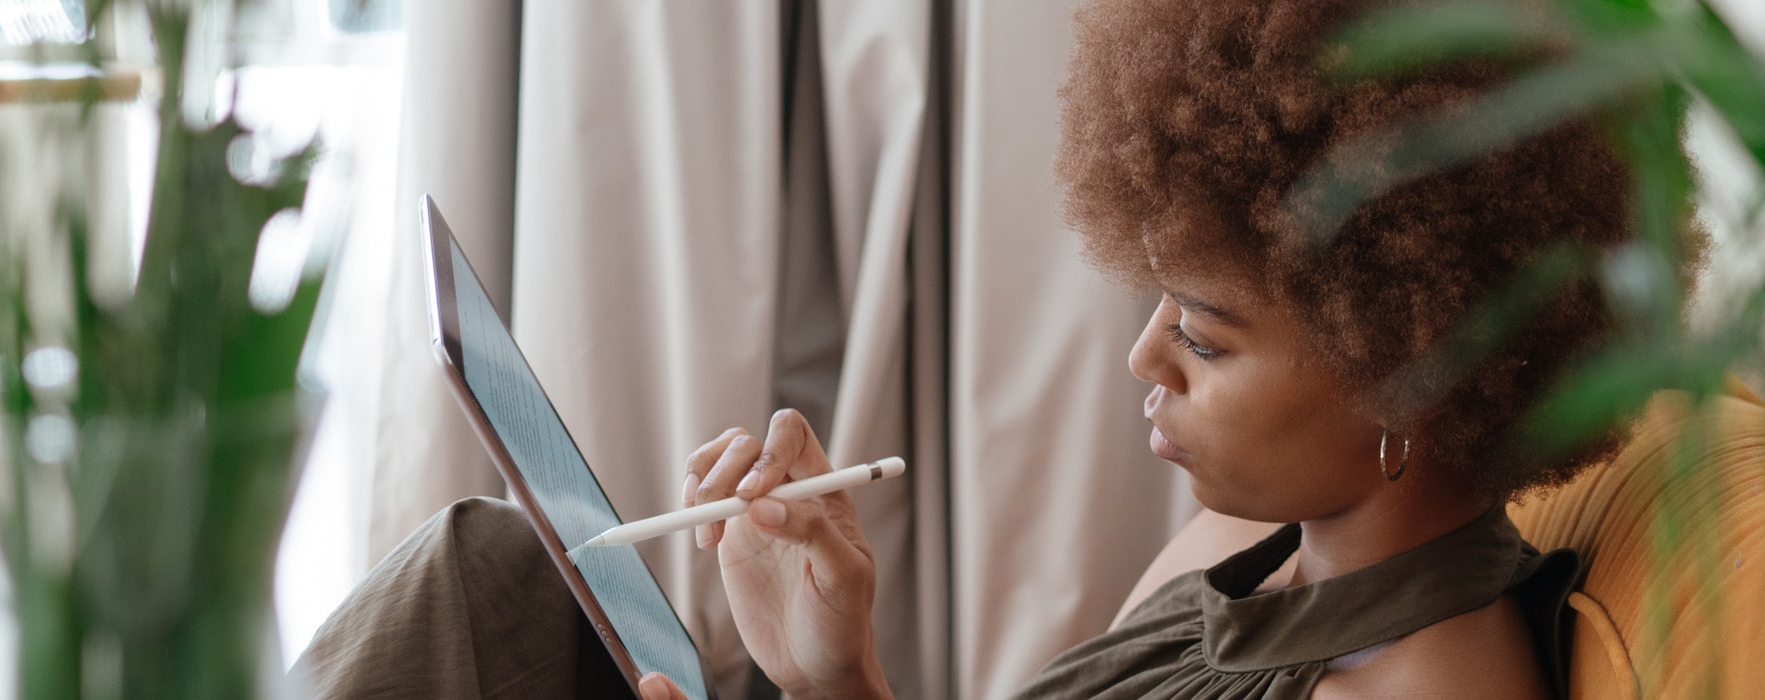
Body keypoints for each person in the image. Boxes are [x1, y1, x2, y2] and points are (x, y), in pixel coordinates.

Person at [296, 0, 1703, 697]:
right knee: (490, 572)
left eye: (1204, 338)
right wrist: (834, 670)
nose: (1145, 358)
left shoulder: (1424, 688)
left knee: (469, 606)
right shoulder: (1245, 553)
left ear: (1415, 365)